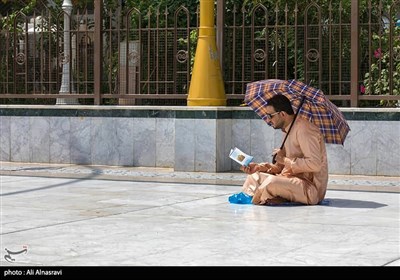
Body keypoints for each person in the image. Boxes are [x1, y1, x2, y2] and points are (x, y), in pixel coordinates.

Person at [238, 94, 328, 206]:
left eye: (270, 116)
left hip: (309, 189)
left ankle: (259, 201)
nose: (269, 120)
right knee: (254, 177)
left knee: (271, 182)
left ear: (282, 114)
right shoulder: (287, 130)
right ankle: (269, 198)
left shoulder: (304, 130)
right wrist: (259, 167)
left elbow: (315, 164)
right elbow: (281, 167)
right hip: (288, 180)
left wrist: (285, 160)